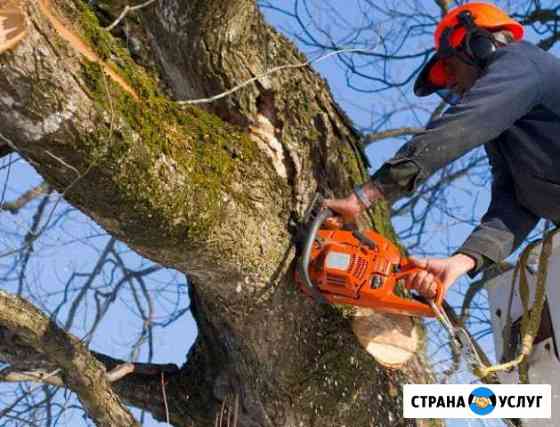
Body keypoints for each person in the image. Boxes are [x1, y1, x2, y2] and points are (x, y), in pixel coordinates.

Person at [325, 3, 560, 299]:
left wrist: (365, 195)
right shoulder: (510, 127)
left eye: (449, 67)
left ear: (479, 44)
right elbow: (516, 205)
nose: (450, 81)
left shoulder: (523, 63)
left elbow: (460, 126)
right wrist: (461, 261)